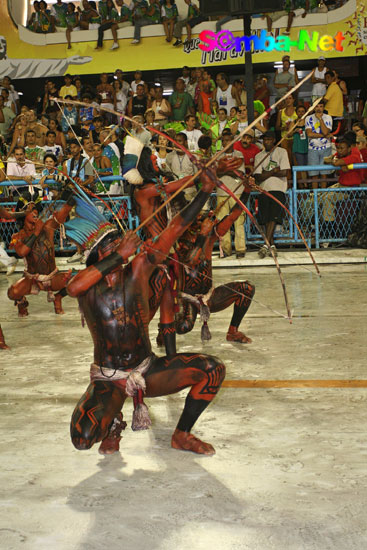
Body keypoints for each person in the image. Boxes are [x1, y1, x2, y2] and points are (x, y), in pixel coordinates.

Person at [66, 166, 225, 456]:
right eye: (113, 244)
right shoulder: (85, 283)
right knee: (83, 436)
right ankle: (114, 425)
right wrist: (119, 255)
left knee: (212, 371)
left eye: (120, 242)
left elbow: (174, 229)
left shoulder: (137, 270)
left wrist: (204, 191)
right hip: (108, 378)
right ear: (98, 254)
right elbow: (73, 288)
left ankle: (182, 434)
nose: (122, 245)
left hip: (146, 369)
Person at [175, 181, 255, 343]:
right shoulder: (180, 239)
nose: (199, 219)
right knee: (182, 327)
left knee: (246, 289)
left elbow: (232, 216)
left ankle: (233, 331)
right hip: (187, 299)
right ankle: (164, 330)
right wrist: (203, 234)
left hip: (209, 297)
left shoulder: (209, 235)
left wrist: (246, 190)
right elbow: (191, 261)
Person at [7, 194, 76, 317]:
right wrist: (36, 232)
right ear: (23, 214)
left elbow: (63, 213)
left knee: (75, 280)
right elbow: (22, 252)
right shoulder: (17, 237)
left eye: (35, 209)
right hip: (31, 279)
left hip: (52, 277)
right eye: (30, 210)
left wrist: (72, 196)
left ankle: (58, 298)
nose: (35, 212)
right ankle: (22, 303)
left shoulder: (48, 227)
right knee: (13, 292)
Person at [254, 131, 290, 258]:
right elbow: (258, 176)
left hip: (278, 188)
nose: (267, 142)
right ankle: (271, 246)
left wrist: (266, 173)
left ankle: (265, 245)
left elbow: (284, 172)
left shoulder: (282, 152)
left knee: (273, 217)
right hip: (263, 189)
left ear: (274, 140)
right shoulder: (259, 156)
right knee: (265, 218)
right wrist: (274, 171)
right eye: (265, 140)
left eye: (269, 139)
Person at [216, 131, 247, 259]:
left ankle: (240, 249)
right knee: (223, 222)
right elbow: (216, 173)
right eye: (223, 141)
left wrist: (224, 170)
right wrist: (227, 171)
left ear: (233, 141)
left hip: (237, 191)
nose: (225, 143)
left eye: (228, 140)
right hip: (222, 192)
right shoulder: (217, 155)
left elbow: (239, 173)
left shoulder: (238, 155)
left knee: (238, 221)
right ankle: (225, 249)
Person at [305, 99, 333, 189]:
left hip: (326, 148)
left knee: (324, 174)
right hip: (312, 148)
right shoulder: (308, 118)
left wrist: (320, 119)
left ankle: (323, 196)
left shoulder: (328, 117)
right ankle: (315, 196)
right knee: (314, 175)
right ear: (313, 107)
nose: (319, 108)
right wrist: (324, 135)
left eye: (321, 106)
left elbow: (325, 131)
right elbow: (309, 134)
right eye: (316, 106)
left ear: (323, 107)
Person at [276, 93, 297, 164]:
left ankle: (298, 175)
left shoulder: (297, 111)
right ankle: (288, 175)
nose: (288, 100)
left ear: (293, 100)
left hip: (296, 137)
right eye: (286, 98)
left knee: (295, 158)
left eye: (290, 98)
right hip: (284, 138)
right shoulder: (281, 112)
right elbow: (277, 127)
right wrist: (284, 128)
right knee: (286, 159)